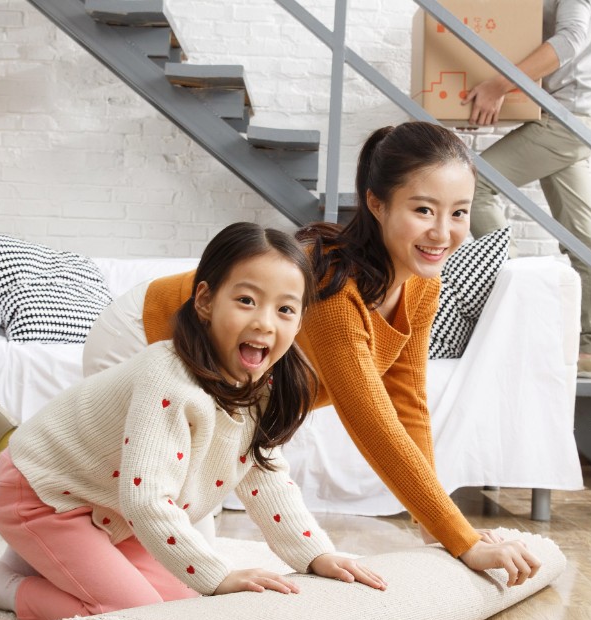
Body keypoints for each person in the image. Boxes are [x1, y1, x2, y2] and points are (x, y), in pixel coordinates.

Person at [88, 122, 541, 587]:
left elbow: (407, 403)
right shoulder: (329, 286)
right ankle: (26, 563)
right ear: (376, 203)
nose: (443, 232)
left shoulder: (422, 286)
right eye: (424, 209)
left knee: (179, 537)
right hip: (143, 336)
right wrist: (461, 538)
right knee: (145, 504)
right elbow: (371, 421)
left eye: (460, 213)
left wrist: (441, 530)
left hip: (215, 377)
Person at [0, 222, 387, 620]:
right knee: (137, 618)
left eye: (285, 310)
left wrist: (316, 555)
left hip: (107, 508)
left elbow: (267, 480)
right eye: (246, 300)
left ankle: (39, 559)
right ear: (205, 301)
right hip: (42, 494)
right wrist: (219, 576)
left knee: (183, 610)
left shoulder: (264, 386)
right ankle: (1, 585)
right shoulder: (167, 375)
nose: (264, 322)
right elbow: (147, 500)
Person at [463, 0, 591, 379]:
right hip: (569, 118)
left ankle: (522, 296)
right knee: (582, 239)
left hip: (566, 121)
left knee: (474, 185)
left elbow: (570, 40)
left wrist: (497, 85)